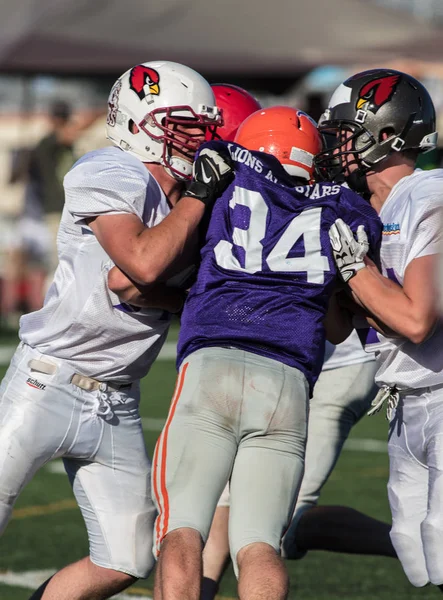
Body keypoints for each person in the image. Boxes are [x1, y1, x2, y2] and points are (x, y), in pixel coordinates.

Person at [0, 60, 230, 600]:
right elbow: (142, 267)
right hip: (47, 381)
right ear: (137, 121)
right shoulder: (110, 170)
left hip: (117, 401)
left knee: (129, 557)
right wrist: (199, 200)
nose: (199, 139)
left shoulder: (189, 197)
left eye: (204, 126)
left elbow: (142, 286)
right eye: (185, 124)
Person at [151, 105, 383, 600]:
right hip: (289, 381)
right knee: (259, 546)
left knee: (182, 530)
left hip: (214, 362)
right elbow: (340, 327)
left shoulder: (225, 163)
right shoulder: (344, 205)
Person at [315, 68, 443, 588]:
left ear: (384, 136)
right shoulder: (363, 208)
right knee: (420, 560)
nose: (334, 146)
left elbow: (415, 319)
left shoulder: (427, 195)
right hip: (405, 400)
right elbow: (340, 330)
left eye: (344, 133)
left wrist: (354, 271)